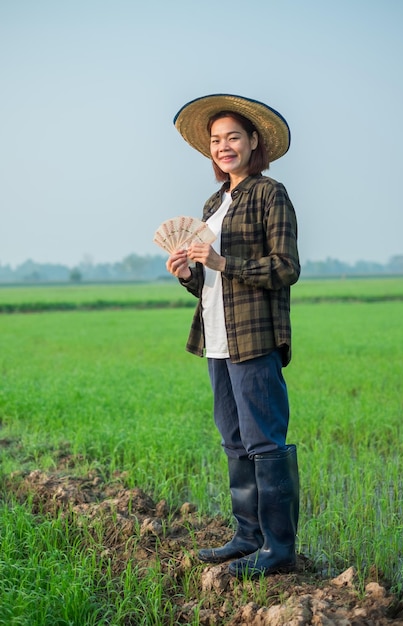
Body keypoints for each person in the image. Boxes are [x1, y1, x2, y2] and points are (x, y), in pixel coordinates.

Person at [166, 94, 300, 579]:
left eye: (233, 138)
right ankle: (248, 537)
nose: (223, 147)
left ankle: (279, 548)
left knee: (264, 441)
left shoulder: (270, 193)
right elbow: (209, 283)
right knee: (234, 440)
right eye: (216, 140)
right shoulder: (213, 203)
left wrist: (223, 261)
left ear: (253, 142)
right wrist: (187, 272)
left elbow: (287, 268)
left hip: (254, 338)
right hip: (216, 339)